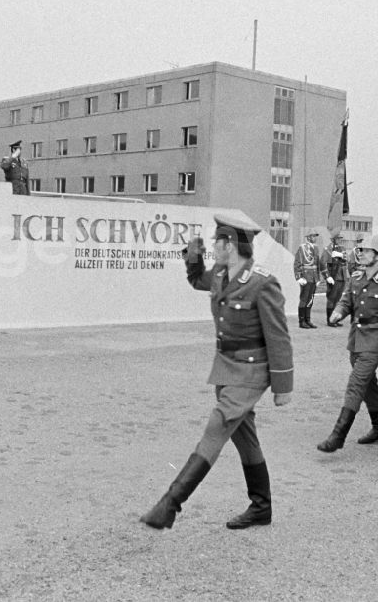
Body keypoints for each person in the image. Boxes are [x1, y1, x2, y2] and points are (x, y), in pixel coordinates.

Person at [141, 213, 293, 531]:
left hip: (251, 372)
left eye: (216, 243)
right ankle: (261, 507)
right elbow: (200, 281)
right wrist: (192, 259)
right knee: (244, 436)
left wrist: (283, 384)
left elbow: (278, 336)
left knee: (217, 425)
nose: (213, 247)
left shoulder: (261, 283)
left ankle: (169, 505)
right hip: (225, 369)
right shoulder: (222, 275)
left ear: (230, 245)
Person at [316, 235, 378, 452]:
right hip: (356, 339)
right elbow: (347, 300)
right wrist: (338, 312)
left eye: (366, 250)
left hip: (375, 340)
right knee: (368, 386)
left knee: (356, 383)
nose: (361, 253)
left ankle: (338, 436)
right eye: (361, 250)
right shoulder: (356, 277)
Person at [293, 230, 327, 329]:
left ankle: (308, 320)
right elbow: (297, 263)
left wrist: (318, 278)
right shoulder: (302, 248)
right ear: (308, 237)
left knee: (310, 299)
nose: (315, 238)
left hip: (313, 277)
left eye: (315, 236)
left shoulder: (315, 248)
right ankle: (301, 321)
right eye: (313, 236)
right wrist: (299, 277)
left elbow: (317, 264)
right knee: (304, 299)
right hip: (305, 276)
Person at [321, 236, 349, 326]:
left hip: (342, 276)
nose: (340, 240)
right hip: (334, 276)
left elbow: (346, 258)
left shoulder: (342, 248)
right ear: (333, 239)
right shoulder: (328, 249)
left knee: (338, 300)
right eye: (338, 238)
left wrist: (340, 255)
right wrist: (327, 276)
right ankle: (329, 320)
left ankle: (334, 319)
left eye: (340, 238)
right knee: (331, 299)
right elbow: (322, 263)